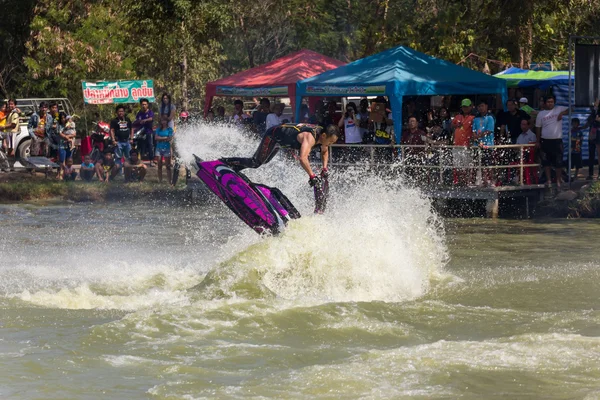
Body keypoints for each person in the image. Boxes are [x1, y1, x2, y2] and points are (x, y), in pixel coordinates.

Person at [221, 123, 340, 191]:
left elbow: (325, 152)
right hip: (273, 136)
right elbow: (303, 158)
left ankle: (234, 170)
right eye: (330, 142)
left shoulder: (323, 138)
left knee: (264, 162)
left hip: (281, 142)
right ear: (324, 136)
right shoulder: (310, 138)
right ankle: (225, 163)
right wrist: (312, 176)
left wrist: (325, 169)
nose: (330, 145)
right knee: (255, 162)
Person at [535, 95, 570, 189]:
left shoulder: (559, 108)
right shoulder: (541, 114)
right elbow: (538, 128)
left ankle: (558, 180)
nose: (550, 103)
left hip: (557, 140)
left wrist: (563, 113)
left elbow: (572, 109)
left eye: (552, 102)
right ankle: (549, 180)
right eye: (548, 102)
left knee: (559, 161)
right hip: (545, 140)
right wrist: (537, 141)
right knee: (546, 162)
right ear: (545, 103)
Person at [452, 99, 475, 185]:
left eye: (466, 106)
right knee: (457, 164)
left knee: (467, 165)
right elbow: (451, 125)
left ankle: (467, 181)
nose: (464, 108)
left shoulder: (473, 118)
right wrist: (456, 125)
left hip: (466, 145)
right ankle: (457, 181)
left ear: (470, 106)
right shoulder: (457, 116)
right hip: (456, 145)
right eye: (463, 107)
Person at [472, 100, 496, 186]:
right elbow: (473, 130)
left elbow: (489, 131)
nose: (481, 108)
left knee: (488, 164)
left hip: (487, 144)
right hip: (477, 145)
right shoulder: (475, 118)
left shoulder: (490, 117)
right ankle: (482, 181)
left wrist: (478, 137)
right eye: (479, 106)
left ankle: (492, 181)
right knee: (478, 164)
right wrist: (476, 138)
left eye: (482, 106)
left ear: (486, 106)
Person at [154, 117, 174, 183]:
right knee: (159, 165)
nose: (163, 122)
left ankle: (170, 180)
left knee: (167, 165)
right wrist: (165, 137)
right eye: (162, 120)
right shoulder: (158, 129)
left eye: (165, 120)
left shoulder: (170, 129)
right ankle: (160, 180)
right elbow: (156, 138)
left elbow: (169, 138)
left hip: (166, 148)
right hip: (159, 148)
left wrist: (161, 138)